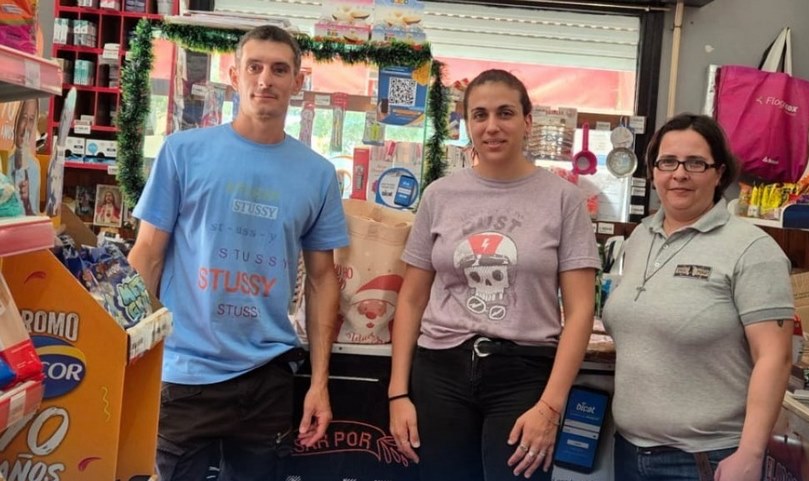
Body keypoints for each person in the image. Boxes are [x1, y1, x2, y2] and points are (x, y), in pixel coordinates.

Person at [128, 25, 349, 481]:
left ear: (297, 81)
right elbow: (147, 254)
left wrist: (320, 384)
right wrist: (127, 356)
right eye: (254, 67)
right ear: (234, 75)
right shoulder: (183, 152)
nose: (265, 79)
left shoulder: (318, 175)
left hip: (266, 377)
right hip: (184, 372)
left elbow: (323, 278)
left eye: (279, 69)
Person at [388, 69, 601, 481]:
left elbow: (580, 312)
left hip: (523, 375)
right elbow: (411, 299)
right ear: (467, 123)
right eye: (479, 115)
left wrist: (551, 406)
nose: (492, 126)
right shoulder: (439, 196)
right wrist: (398, 393)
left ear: (527, 121)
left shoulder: (564, 200)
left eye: (505, 113)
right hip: (440, 371)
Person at [601, 113, 794, 481]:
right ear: (653, 172)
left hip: (706, 459)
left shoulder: (753, 249)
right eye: (668, 162)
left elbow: (775, 357)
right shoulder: (641, 237)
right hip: (629, 449)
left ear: (719, 173)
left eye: (695, 163)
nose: (679, 174)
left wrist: (750, 453)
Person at [7, 99, 39, 215]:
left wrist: (27, 203)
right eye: (24, 118)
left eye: (31, 120)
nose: (26, 128)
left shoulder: (34, 168)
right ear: (16, 119)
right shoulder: (4, 163)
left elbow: (34, 218)